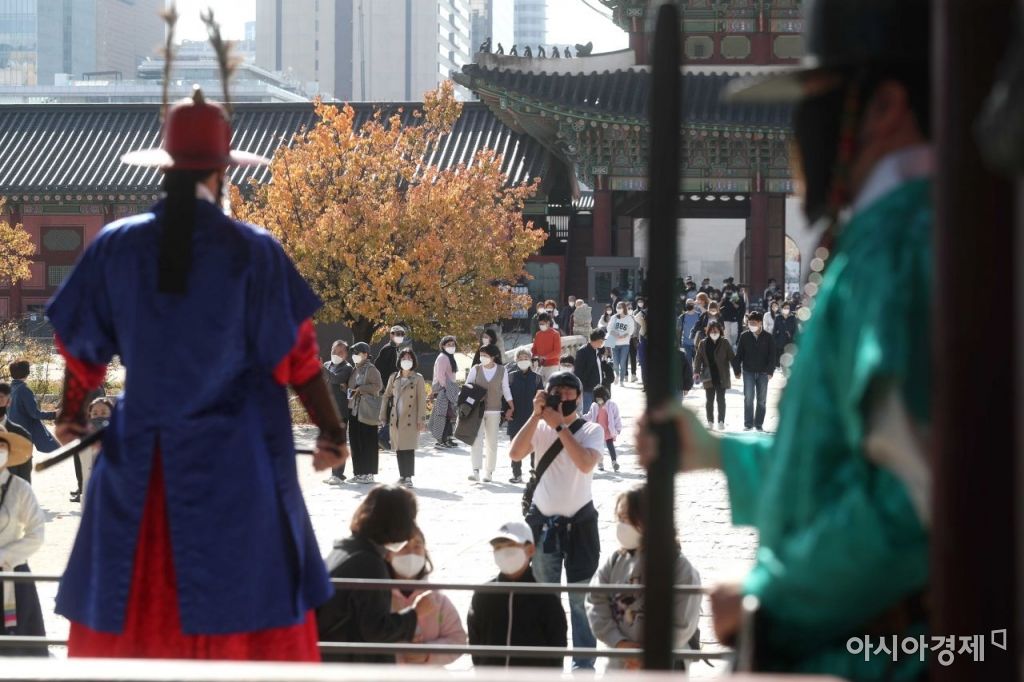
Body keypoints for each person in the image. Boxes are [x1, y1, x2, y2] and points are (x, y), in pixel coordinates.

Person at [641, 1, 933, 676]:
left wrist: (772, 599)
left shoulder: (899, 245)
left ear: (884, 105)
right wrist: (719, 451)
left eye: (816, 100)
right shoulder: (882, 239)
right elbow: (837, 466)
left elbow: (916, 493)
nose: (800, 131)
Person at [46, 85, 348, 661]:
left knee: (132, 597)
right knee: (248, 598)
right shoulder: (255, 250)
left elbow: (81, 345)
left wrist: (71, 415)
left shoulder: (116, 245)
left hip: (144, 460)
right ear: (222, 172)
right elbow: (301, 359)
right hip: (240, 463)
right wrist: (332, 434)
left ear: (166, 170)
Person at [509, 371, 604, 671]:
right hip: (544, 526)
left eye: (567, 393)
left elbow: (585, 463)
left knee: (580, 600)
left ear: (578, 397)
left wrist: (560, 426)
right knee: (545, 598)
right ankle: (547, 661)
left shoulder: (591, 429)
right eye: (555, 392)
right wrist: (535, 416)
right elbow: (515, 453)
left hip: (580, 527)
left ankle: (584, 664)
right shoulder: (539, 427)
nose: (561, 398)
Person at [587, 485, 702, 672]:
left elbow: (683, 623)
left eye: (627, 518)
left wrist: (647, 654)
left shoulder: (680, 568)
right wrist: (620, 643)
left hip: (663, 666)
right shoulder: (615, 561)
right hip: (620, 664)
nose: (621, 525)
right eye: (619, 518)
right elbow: (595, 600)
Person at [318, 485, 435, 663]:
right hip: (345, 663)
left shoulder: (346, 550)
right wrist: (415, 614)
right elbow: (376, 630)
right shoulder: (368, 563)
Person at [466, 520, 567, 668]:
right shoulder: (483, 595)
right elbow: (476, 642)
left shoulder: (547, 599)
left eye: (511, 546)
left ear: (530, 550)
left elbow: (556, 649)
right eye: (498, 548)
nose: (504, 553)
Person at [387, 527, 467, 665]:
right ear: (388, 554)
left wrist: (427, 653)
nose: (411, 553)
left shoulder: (437, 599)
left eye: (417, 546)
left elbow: (458, 640)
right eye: (404, 546)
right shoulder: (376, 597)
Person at [0, 427, 46, 656]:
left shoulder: (20, 488)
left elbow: (36, 532)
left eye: (1, 446)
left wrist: (4, 556)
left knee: (17, 647)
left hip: (13, 573)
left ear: (8, 452)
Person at [465, 344, 513, 483]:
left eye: (485, 355)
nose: (482, 358)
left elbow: (505, 389)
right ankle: (475, 470)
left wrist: (511, 405)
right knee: (476, 440)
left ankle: (489, 471)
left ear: (493, 356)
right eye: (481, 355)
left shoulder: (502, 370)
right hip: (477, 410)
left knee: (492, 442)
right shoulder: (476, 369)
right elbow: (467, 387)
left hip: (494, 410)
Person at [379, 349, 427, 488]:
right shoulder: (394, 377)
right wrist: (383, 415)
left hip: (411, 418)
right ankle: (402, 476)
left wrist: (421, 419)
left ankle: (408, 477)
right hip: (396, 417)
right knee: (399, 447)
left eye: (409, 358)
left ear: (413, 361)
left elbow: (421, 400)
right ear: (399, 360)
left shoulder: (418, 378)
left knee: (408, 448)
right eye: (404, 358)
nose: (406, 360)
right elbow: (386, 396)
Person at [7, 361, 58, 464]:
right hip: (24, 433)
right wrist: (54, 414)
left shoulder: (9, 389)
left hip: (12, 432)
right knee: (24, 464)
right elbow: (34, 414)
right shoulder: (24, 390)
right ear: (27, 373)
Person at [733, 311, 776, 432]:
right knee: (748, 398)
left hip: (763, 373)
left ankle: (758, 424)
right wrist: (737, 370)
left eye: (753, 323)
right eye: (749, 323)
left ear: (760, 323)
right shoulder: (744, 336)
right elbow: (739, 354)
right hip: (748, 372)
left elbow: (772, 355)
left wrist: (770, 371)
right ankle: (748, 424)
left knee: (761, 400)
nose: (751, 325)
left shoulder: (768, 337)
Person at [348, 342, 383, 484]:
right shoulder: (355, 369)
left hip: (367, 410)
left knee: (368, 441)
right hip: (354, 410)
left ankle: (369, 473)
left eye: (357, 353)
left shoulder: (371, 369)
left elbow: (378, 386)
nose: (354, 356)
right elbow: (351, 387)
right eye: (353, 353)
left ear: (366, 354)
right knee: (355, 442)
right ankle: (358, 472)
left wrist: (361, 388)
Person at [507, 350, 544, 484]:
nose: (523, 360)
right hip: (515, 417)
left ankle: (535, 473)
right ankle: (516, 474)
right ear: (516, 360)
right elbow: (505, 396)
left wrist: (541, 415)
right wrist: (506, 411)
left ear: (530, 359)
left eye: (526, 357)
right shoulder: (510, 377)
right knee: (515, 445)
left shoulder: (537, 378)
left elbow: (541, 398)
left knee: (534, 446)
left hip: (532, 417)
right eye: (520, 358)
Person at [692, 321, 734, 430]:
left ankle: (721, 421)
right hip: (708, 375)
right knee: (709, 400)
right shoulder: (703, 343)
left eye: (716, 330)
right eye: (712, 330)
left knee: (721, 399)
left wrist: (737, 370)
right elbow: (698, 358)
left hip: (722, 375)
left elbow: (732, 357)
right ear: (708, 331)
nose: (714, 332)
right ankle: (710, 421)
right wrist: (696, 371)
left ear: (720, 331)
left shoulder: (724, 342)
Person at [324, 341, 353, 484]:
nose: (336, 354)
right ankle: (334, 474)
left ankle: (338, 474)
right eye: (334, 351)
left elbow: (335, 379)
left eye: (340, 352)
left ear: (346, 354)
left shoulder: (347, 368)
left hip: (340, 411)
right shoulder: (327, 365)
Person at [375, 325, 408, 450]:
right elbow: (380, 368)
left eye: (401, 334)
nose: (399, 336)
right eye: (397, 334)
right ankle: (382, 437)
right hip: (390, 387)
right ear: (391, 335)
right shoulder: (388, 349)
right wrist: (386, 387)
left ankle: (382, 438)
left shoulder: (396, 349)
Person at [77, 397, 114, 504]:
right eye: (95, 413)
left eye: (104, 413)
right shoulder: (83, 438)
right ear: (90, 416)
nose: (99, 417)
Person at [429, 336, 460, 449]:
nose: (451, 347)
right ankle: (442, 439)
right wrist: (447, 388)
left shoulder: (449, 357)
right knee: (443, 415)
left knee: (448, 414)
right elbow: (440, 375)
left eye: (453, 344)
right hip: (444, 389)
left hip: (448, 388)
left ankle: (447, 438)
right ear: (443, 346)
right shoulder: (443, 358)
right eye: (448, 345)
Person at [0, 383, 33, 484]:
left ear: (9, 401)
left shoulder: (21, 435)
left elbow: (25, 475)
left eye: (0, 398)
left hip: (10, 490)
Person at [584, 385, 621, 472]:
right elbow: (590, 415)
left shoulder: (611, 405)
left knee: (610, 446)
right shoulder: (594, 406)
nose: (598, 400)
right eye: (597, 399)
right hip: (598, 431)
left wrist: (618, 428)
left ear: (605, 396)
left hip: (608, 431)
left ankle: (614, 462)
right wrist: (581, 417)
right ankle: (600, 463)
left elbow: (616, 417)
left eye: (600, 398)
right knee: (599, 447)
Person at [574, 329, 607, 414]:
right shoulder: (583, 352)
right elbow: (578, 372)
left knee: (598, 414)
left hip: (598, 388)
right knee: (587, 414)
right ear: (597, 340)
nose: (603, 342)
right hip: (587, 389)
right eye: (602, 340)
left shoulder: (598, 350)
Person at [606, 302, 635, 388]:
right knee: (615, 363)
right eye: (617, 307)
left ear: (624, 308)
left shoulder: (629, 318)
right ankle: (617, 376)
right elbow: (609, 328)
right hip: (614, 343)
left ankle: (622, 380)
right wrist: (615, 334)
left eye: (620, 307)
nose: (618, 309)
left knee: (622, 363)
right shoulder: (614, 317)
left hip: (625, 343)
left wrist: (625, 335)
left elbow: (631, 330)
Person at [530, 313, 561, 380]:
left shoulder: (555, 334)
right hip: (540, 365)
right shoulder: (538, 334)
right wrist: (534, 357)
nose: (541, 325)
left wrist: (545, 357)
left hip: (552, 365)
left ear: (548, 323)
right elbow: (534, 349)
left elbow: (557, 351)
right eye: (540, 324)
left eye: (542, 323)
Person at [633, 297, 648, 387]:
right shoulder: (642, 313)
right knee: (643, 363)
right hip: (643, 338)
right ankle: (645, 384)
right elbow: (636, 318)